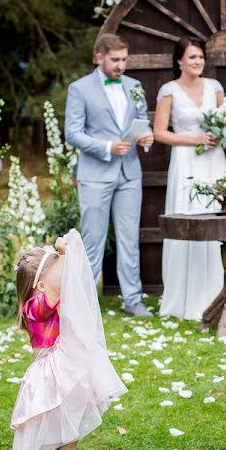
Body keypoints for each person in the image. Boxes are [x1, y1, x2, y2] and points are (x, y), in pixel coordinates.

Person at [0, 229, 128, 450]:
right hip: (51, 375)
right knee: (53, 430)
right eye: (55, 272)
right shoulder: (35, 307)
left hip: (68, 368)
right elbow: (59, 280)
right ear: (42, 286)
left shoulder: (55, 297)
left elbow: (71, 283)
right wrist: (63, 254)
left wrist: (62, 258)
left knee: (72, 424)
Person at [65, 34, 155, 317]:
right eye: (115, 60)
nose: (121, 66)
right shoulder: (79, 89)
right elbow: (72, 133)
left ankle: (133, 299)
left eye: (124, 60)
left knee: (129, 238)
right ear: (98, 57)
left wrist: (146, 137)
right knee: (92, 240)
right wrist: (107, 147)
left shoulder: (134, 86)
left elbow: (143, 121)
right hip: (95, 174)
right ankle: (83, 304)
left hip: (129, 173)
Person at [153, 37, 226, 320]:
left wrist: (221, 135)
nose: (198, 62)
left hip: (213, 161)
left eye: (201, 57)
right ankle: (181, 300)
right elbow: (160, 132)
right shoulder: (169, 91)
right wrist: (192, 139)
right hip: (185, 162)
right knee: (187, 221)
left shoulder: (215, 88)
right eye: (192, 57)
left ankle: (216, 294)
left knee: (214, 220)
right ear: (179, 61)